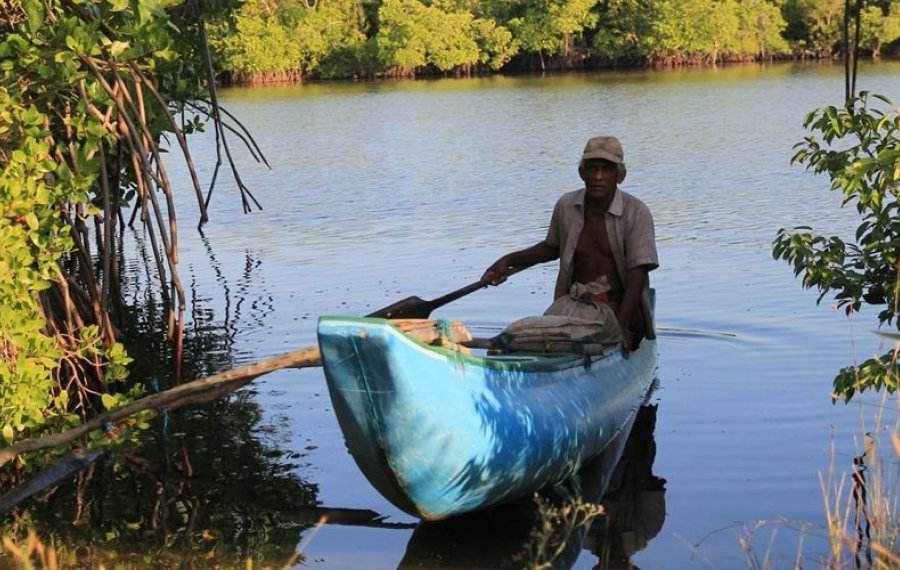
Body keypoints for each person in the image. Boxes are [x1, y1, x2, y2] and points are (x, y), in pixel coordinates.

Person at [482, 135, 658, 352]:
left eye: (607, 169)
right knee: (522, 335)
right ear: (581, 173)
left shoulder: (636, 212)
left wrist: (621, 326)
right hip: (572, 305)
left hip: (618, 309)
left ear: (620, 176)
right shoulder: (567, 205)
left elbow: (637, 275)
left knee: (568, 339)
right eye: (592, 169)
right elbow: (552, 247)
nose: (598, 177)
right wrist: (507, 261)